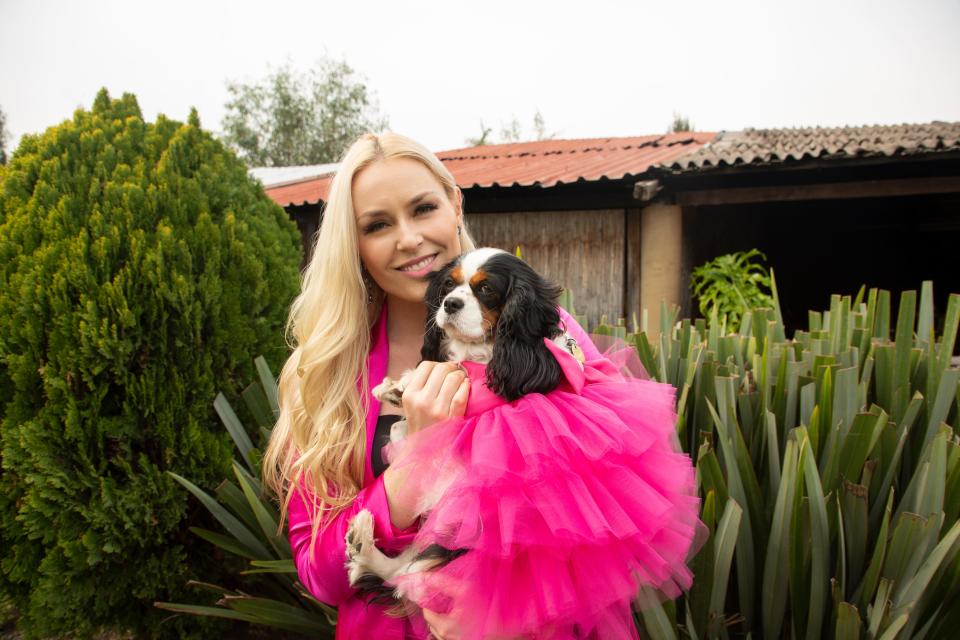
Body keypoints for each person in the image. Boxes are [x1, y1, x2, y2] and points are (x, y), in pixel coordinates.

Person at [262, 132, 606, 640]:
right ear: (354, 244)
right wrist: (415, 469)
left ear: (455, 204)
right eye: (377, 225)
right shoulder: (325, 376)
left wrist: (508, 609)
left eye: (423, 208)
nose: (408, 239)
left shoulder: (550, 335)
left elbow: (612, 509)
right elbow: (321, 573)